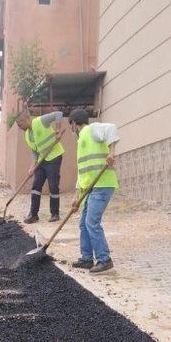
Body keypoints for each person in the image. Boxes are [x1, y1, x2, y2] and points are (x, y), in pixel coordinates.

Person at [68, 108, 119, 274]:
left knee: (92, 223)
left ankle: (104, 259)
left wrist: (112, 153)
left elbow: (111, 128)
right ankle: (87, 258)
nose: (72, 129)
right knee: (84, 223)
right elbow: (83, 174)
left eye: (71, 126)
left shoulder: (92, 129)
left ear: (74, 124)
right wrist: (77, 198)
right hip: (91, 189)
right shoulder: (81, 141)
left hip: (102, 185)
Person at [15, 109, 66, 223]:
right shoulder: (27, 135)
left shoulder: (40, 121)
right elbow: (35, 152)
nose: (19, 127)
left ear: (26, 119)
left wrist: (57, 130)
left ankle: (55, 214)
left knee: (53, 185)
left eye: (20, 124)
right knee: (36, 186)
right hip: (41, 160)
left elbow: (59, 114)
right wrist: (32, 167)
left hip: (54, 156)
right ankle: (33, 214)